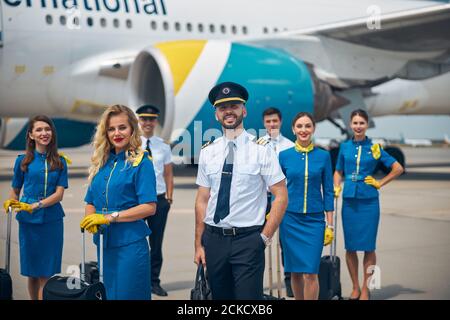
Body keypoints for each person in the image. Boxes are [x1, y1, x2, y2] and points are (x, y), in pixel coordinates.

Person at [194, 82, 288, 300]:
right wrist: (199, 244)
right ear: (217, 114)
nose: (229, 111)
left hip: (248, 241)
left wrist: (264, 238)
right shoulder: (208, 152)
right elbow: (202, 200)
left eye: (234, 106)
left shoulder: (261, 151)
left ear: (243, 110)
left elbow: (281, 195)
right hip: (214, 239)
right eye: (223, 107)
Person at [80, 104, 157, 300]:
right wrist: (91, 219)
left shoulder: (142, 162)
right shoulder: (101, 162)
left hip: (130, 245)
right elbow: (90, 200)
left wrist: (110, 217)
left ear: (132, 129)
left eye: (122, 127)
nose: (117, 133)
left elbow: (149, 207)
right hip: (104, 245)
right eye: (111, 128)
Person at [334, 109, 404, 300]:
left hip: (369, 202)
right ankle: (355, 287)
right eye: (355, 123)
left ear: (366, 125)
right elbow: (338, 171)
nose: (358, 126)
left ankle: (366, 288)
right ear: (350, 125)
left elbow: (398, 168)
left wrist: (380, 182)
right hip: (349, 202)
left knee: (368, 247)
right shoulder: (344, 147)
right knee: (350, 247)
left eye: (361, 123)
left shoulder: (375, 147)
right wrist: (336, 186)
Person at [3, 115, 69, 300]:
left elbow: (59, 195)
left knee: (45, 274)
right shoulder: (22, 161)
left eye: (47, 129)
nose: (44, 133)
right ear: (31, 135)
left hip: (51, 221)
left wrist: (37, 205)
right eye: (39, 130)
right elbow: (15, 190)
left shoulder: (60, 161)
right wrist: (11, 201)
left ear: (52, 133)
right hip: (28, 221)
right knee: (32, 272)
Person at [278, 112, 334, 300]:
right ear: (293, 129)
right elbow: (277, 189)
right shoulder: (283, 156)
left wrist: (330, 224)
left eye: (308, 126)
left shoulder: (323, 156)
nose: (304, 130)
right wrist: (273, 213)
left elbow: (328, 191)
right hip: (289, 220)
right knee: (294, 271)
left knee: (311, 272)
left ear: (313, 129)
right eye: (300, 126)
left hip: (314, 221)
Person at [136, 104, 174, 297]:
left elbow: (168, 173)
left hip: (159, 200)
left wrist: (169, 197)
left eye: (151, 119)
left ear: (156, 121)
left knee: (156, 243)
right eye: (144, 119)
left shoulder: (163, 145)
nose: (147, 123)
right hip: (137, 201)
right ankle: (136, 279)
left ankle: (154, 281)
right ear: (139, 121)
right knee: (135, 242)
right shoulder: (132, 145)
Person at [261, 107, 294, 297]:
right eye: (268, 121)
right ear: (264, 123)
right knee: (257, 240)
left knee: (285, 242)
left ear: (280, 122)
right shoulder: (258, 145)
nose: (271, 124)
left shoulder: (289, 146)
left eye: (274, 121)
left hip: (282, 198)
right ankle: (255, 283)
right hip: (262, 198)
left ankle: (289, 282)